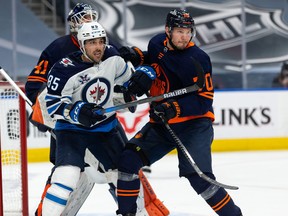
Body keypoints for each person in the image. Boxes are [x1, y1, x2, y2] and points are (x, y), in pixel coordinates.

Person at [25, 3, 164, 215]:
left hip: (104, 126)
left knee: (123, 175)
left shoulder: (110, 53)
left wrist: (133, 87)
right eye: (91, 41)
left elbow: (123, 82)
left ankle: (146, 212)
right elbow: (41, 89)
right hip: (70, 127)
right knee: (66, 177)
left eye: (100, 40)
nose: (97, 45)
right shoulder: (59, 51)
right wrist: (45, 112)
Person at [116, 9, 243, 216]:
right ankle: (127, 213)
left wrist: (172, 108)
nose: (184, 36)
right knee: (128, 160)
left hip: (193, 126)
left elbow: (204, 100)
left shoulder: (198, 59)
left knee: (200, 180)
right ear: (168, 31)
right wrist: (138, 56)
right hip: (162, 123)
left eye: (188, 31)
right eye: (179, 31)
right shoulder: (157, 42)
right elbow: (155, 60)